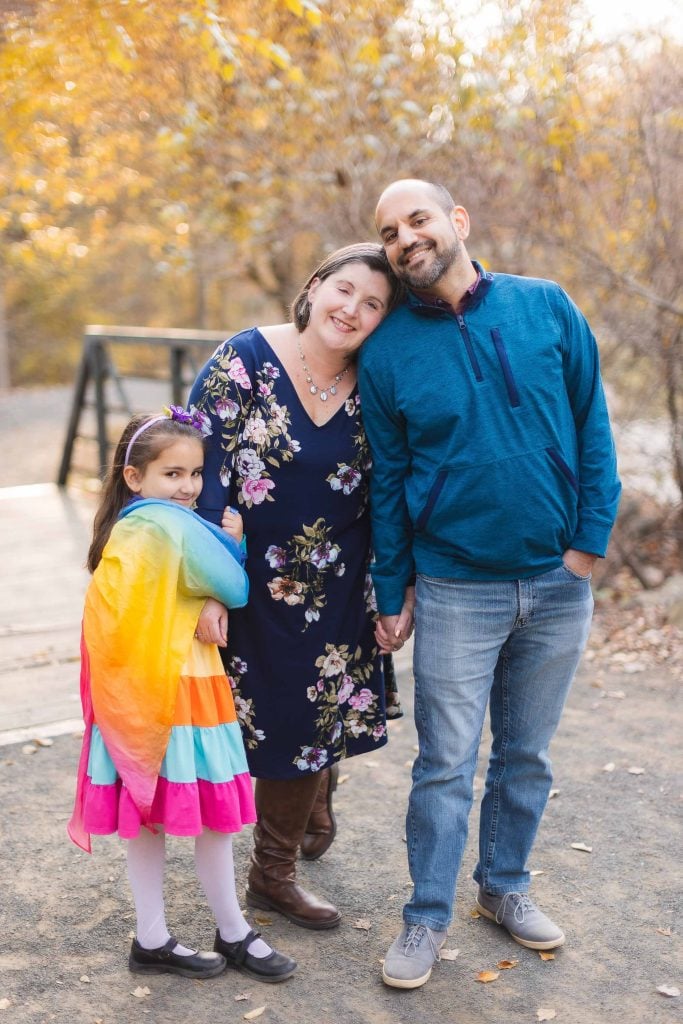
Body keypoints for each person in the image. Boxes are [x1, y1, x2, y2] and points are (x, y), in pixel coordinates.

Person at [357, 179, 622, 989]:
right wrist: (393, 587)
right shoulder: (387, 351)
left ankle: (502, 889)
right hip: (453, 588)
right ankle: (425, 916)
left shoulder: (545, 306)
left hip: (555, 583)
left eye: (418, 219)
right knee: (443, 762)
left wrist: (585, 547)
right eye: (389, 231)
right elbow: (390, 482)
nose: (406, 238)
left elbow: (592, 427)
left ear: (456, 222)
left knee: (525, 756)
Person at [188, 243, 411, 930]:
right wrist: (199, 584)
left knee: (307, 717)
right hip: (242, 579)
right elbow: (196, 467)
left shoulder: (378, 383)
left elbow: (391, 489)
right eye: (344, 290)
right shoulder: (243, 360)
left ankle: (271, 874)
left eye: (373, 304)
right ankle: (311, 787)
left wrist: (392, 588)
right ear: (315, 288)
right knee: (270, 718)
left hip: (339, 582)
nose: (352, 309)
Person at [68, 407, 296, 983]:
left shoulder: (135, 528)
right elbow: (234, 585)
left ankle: (189, 933)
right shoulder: (161, 527)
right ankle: (201, 934)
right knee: (183, 815)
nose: (189, 487)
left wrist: (200, 600)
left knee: (171, 813)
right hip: (170, 689)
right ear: (134, 477)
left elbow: (183, 593)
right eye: (173, 474)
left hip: (167, 687)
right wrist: (233, 549)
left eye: (195, 474)